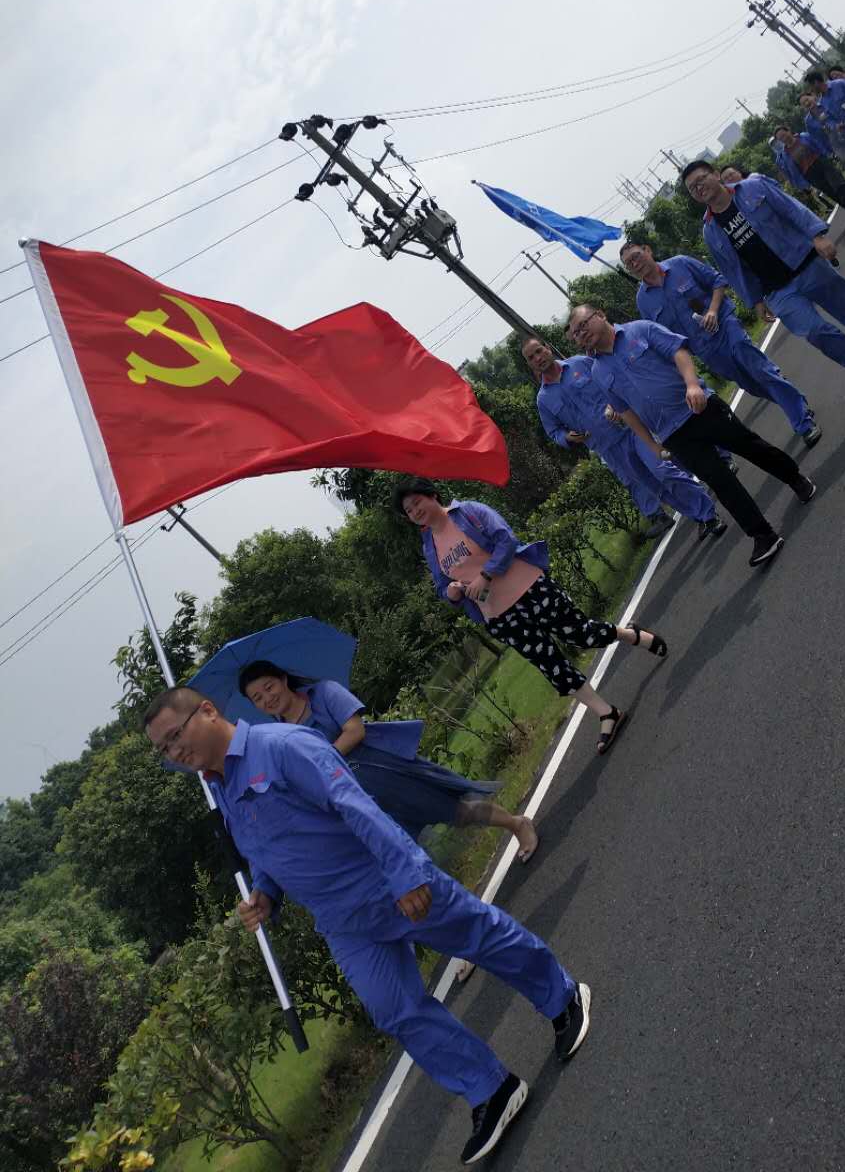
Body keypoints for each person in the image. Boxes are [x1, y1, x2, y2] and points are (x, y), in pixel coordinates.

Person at [143, 688, 590, 1164]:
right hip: (343, 923)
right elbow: (266, 851)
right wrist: (265, 893)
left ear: (208, 711)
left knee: (479, 936)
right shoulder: (221, 790)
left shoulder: (282, 747)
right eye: (164, 749)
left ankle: (562, 998)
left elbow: (355, 806)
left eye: (175, 736)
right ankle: (491, 1088)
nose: (175, 752)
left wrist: (404, 875)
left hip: (386, 883)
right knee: (396, 1010)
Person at [396, 478, 667, 755]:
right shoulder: (430, 546)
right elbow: (442, 587)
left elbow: (506, 540)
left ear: (433, 495)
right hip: (500, 617)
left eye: (417, 502)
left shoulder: (468, 511)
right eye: (408, 511)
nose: (415, 511)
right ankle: (607, 713)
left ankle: (629, 634)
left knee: (581, 634)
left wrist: (485, 575)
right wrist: (452, 592)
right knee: (552, 665)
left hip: (530, 588)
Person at [567, 304, 818, 568]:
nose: (581, 334)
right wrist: (652, 445)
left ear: (601, 315)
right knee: (720, 481)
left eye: (583, 325)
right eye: (576, 333)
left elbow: (678, 351)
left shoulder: (640, 330)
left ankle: (796, 479)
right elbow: (625, 411)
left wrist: (692, 384)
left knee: (751, 447)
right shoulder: (598, 372)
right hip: (673, 434)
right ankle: (763, 536)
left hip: (700, 408)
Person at [239, 660, 538, 863]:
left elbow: (355, 730)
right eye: (257, 698)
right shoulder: (278, 739)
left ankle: (516, 824)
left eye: (269, 687)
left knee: (457, 811)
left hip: (387, 772)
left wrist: (322, 761)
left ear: (283, 679)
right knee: (405, 855)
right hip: (356, 800)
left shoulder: (325, 692)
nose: (267, 698)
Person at [682, 161, 845, 398]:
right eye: (692, 188)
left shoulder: (753, 187)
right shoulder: (710, 230)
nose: (699, 188)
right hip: (777, 290)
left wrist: (817, 236)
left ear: (716, 175)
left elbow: (791, 209)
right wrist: (755, 300)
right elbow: (733, 269)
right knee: (814, 331)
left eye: (701, 180)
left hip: (806, 263)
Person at [618, 241, 822, 448]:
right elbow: (661, 336)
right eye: (629, 263)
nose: (635, 264)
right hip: (706, 351)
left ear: (647, 250)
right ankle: (793, 399)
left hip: (726, 327)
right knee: (752, 385)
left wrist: (713, 311)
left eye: (636, 256)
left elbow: (717, 281)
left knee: (759, 370)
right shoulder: (643, 301)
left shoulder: (680, 264)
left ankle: (803, 423)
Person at [522, 336, 723, 542]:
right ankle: (701, 516)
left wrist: (613, 404)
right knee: (655, 486)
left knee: (663, 471)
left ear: (547, 348)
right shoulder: (543, 400)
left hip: (631, 430)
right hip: (608, 450)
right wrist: (567, 437)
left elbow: (611, 379)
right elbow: (553, 431)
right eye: (531, 357)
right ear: (529, 364)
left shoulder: (580, 363)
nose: (538, 358)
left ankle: (708, 513)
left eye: (538, 351)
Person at [771, 125, 845, 217]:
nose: (784, 138)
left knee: (837, 183)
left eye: (784, 135)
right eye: (781, 138)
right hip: (810, 174)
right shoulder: (785, 155)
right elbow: (792, 173)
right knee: (830, 191)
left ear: (788, 131)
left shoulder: (803, 136)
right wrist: (802, 185)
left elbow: (817, 144)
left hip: (820, 162)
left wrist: (828, 153)